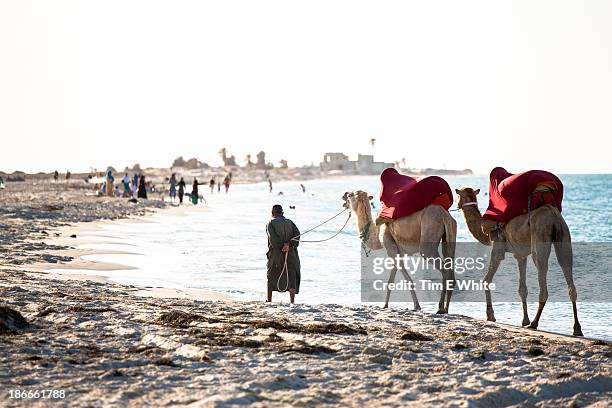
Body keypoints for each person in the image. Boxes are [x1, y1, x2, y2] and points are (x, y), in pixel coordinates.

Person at [266, 204, 300, 303]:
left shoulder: (270, 223)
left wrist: (282, 247)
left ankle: (269, 300)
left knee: (271, 273)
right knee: (292, 274)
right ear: (282, 213)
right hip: (291, 253)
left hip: (276, 253)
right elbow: (297, 235)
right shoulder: (291, 222)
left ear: (272, 213)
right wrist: (289, 245)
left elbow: (273, 238)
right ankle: (292, 301)